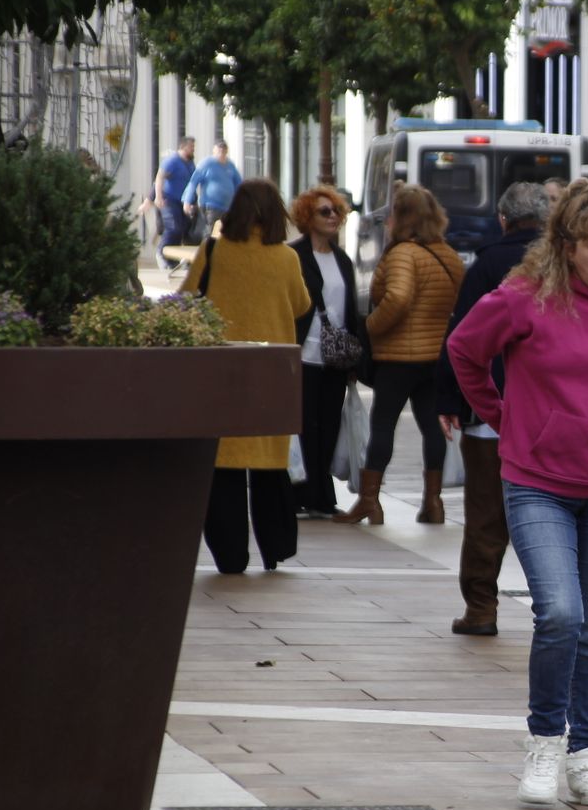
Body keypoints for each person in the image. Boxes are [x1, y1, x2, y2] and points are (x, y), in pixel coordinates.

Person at [447, 180, 588, 808]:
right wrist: (501, 416)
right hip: (537, 483)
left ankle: (586, 754)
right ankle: (545, 742)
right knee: (562, 615)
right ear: (567, 247)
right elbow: (465, 349)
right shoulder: (525, 297)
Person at [435, 182, 551, 636]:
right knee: (563, 515)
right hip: (553, 417)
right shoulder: (567, 266)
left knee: (486, 516)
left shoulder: (487, 265)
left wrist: (450, 400)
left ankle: (482, 609)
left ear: (503, 220)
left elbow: (460, 338)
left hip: (491, 415)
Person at [180, 178, 312, 574]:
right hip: (271, 374)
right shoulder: (287, 259)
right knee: (270, 467)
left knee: (226, 465)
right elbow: (302, 305)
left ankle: (230, 555)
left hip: (221, 372)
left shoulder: (214, 251)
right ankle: (275, 549)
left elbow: (186, 298)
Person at [334, 184, 464, 526]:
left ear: (402, 217)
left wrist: (372, 329)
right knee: (431, 427)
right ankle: (433, 502)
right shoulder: (447, 254)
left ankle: (369, 501)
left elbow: (399, 298)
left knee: (383, 426)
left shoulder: (404, 253)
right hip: (434, 356)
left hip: (398, 357)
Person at [289, 185, 367, 518]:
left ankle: (321, 497)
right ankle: (298, 495)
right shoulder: (294, 256)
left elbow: (351, 308)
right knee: (305, 424)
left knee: (329, 425)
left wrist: (356, 356)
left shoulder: (342, 259)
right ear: (308, 217)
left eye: (336, 210)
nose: (333, 216)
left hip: (335, 358)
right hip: (304, 353)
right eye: (325, 211)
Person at [182, 140, 244, 236]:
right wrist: (187, 201)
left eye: (223, 151)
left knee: (226, 233)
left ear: (226, 152)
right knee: (211, 232)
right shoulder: (206, 164)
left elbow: (239, 184)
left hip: (228, 207)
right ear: (214, 151)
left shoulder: (230, 165)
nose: (221, 154)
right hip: (210, 206)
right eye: (219, 151)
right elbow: (193, 183)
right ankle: (207, 250)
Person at [153, 136, 196, 267]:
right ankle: (161, 252)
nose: (193, 149)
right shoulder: (172, 161)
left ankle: (172, 259)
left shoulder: (190, 162)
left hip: (184, 201)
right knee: (173, 227)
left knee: (183, 229)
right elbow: (159, 177)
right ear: (183, 147)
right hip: (169, 199)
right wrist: (158, 197)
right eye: (191, 147)